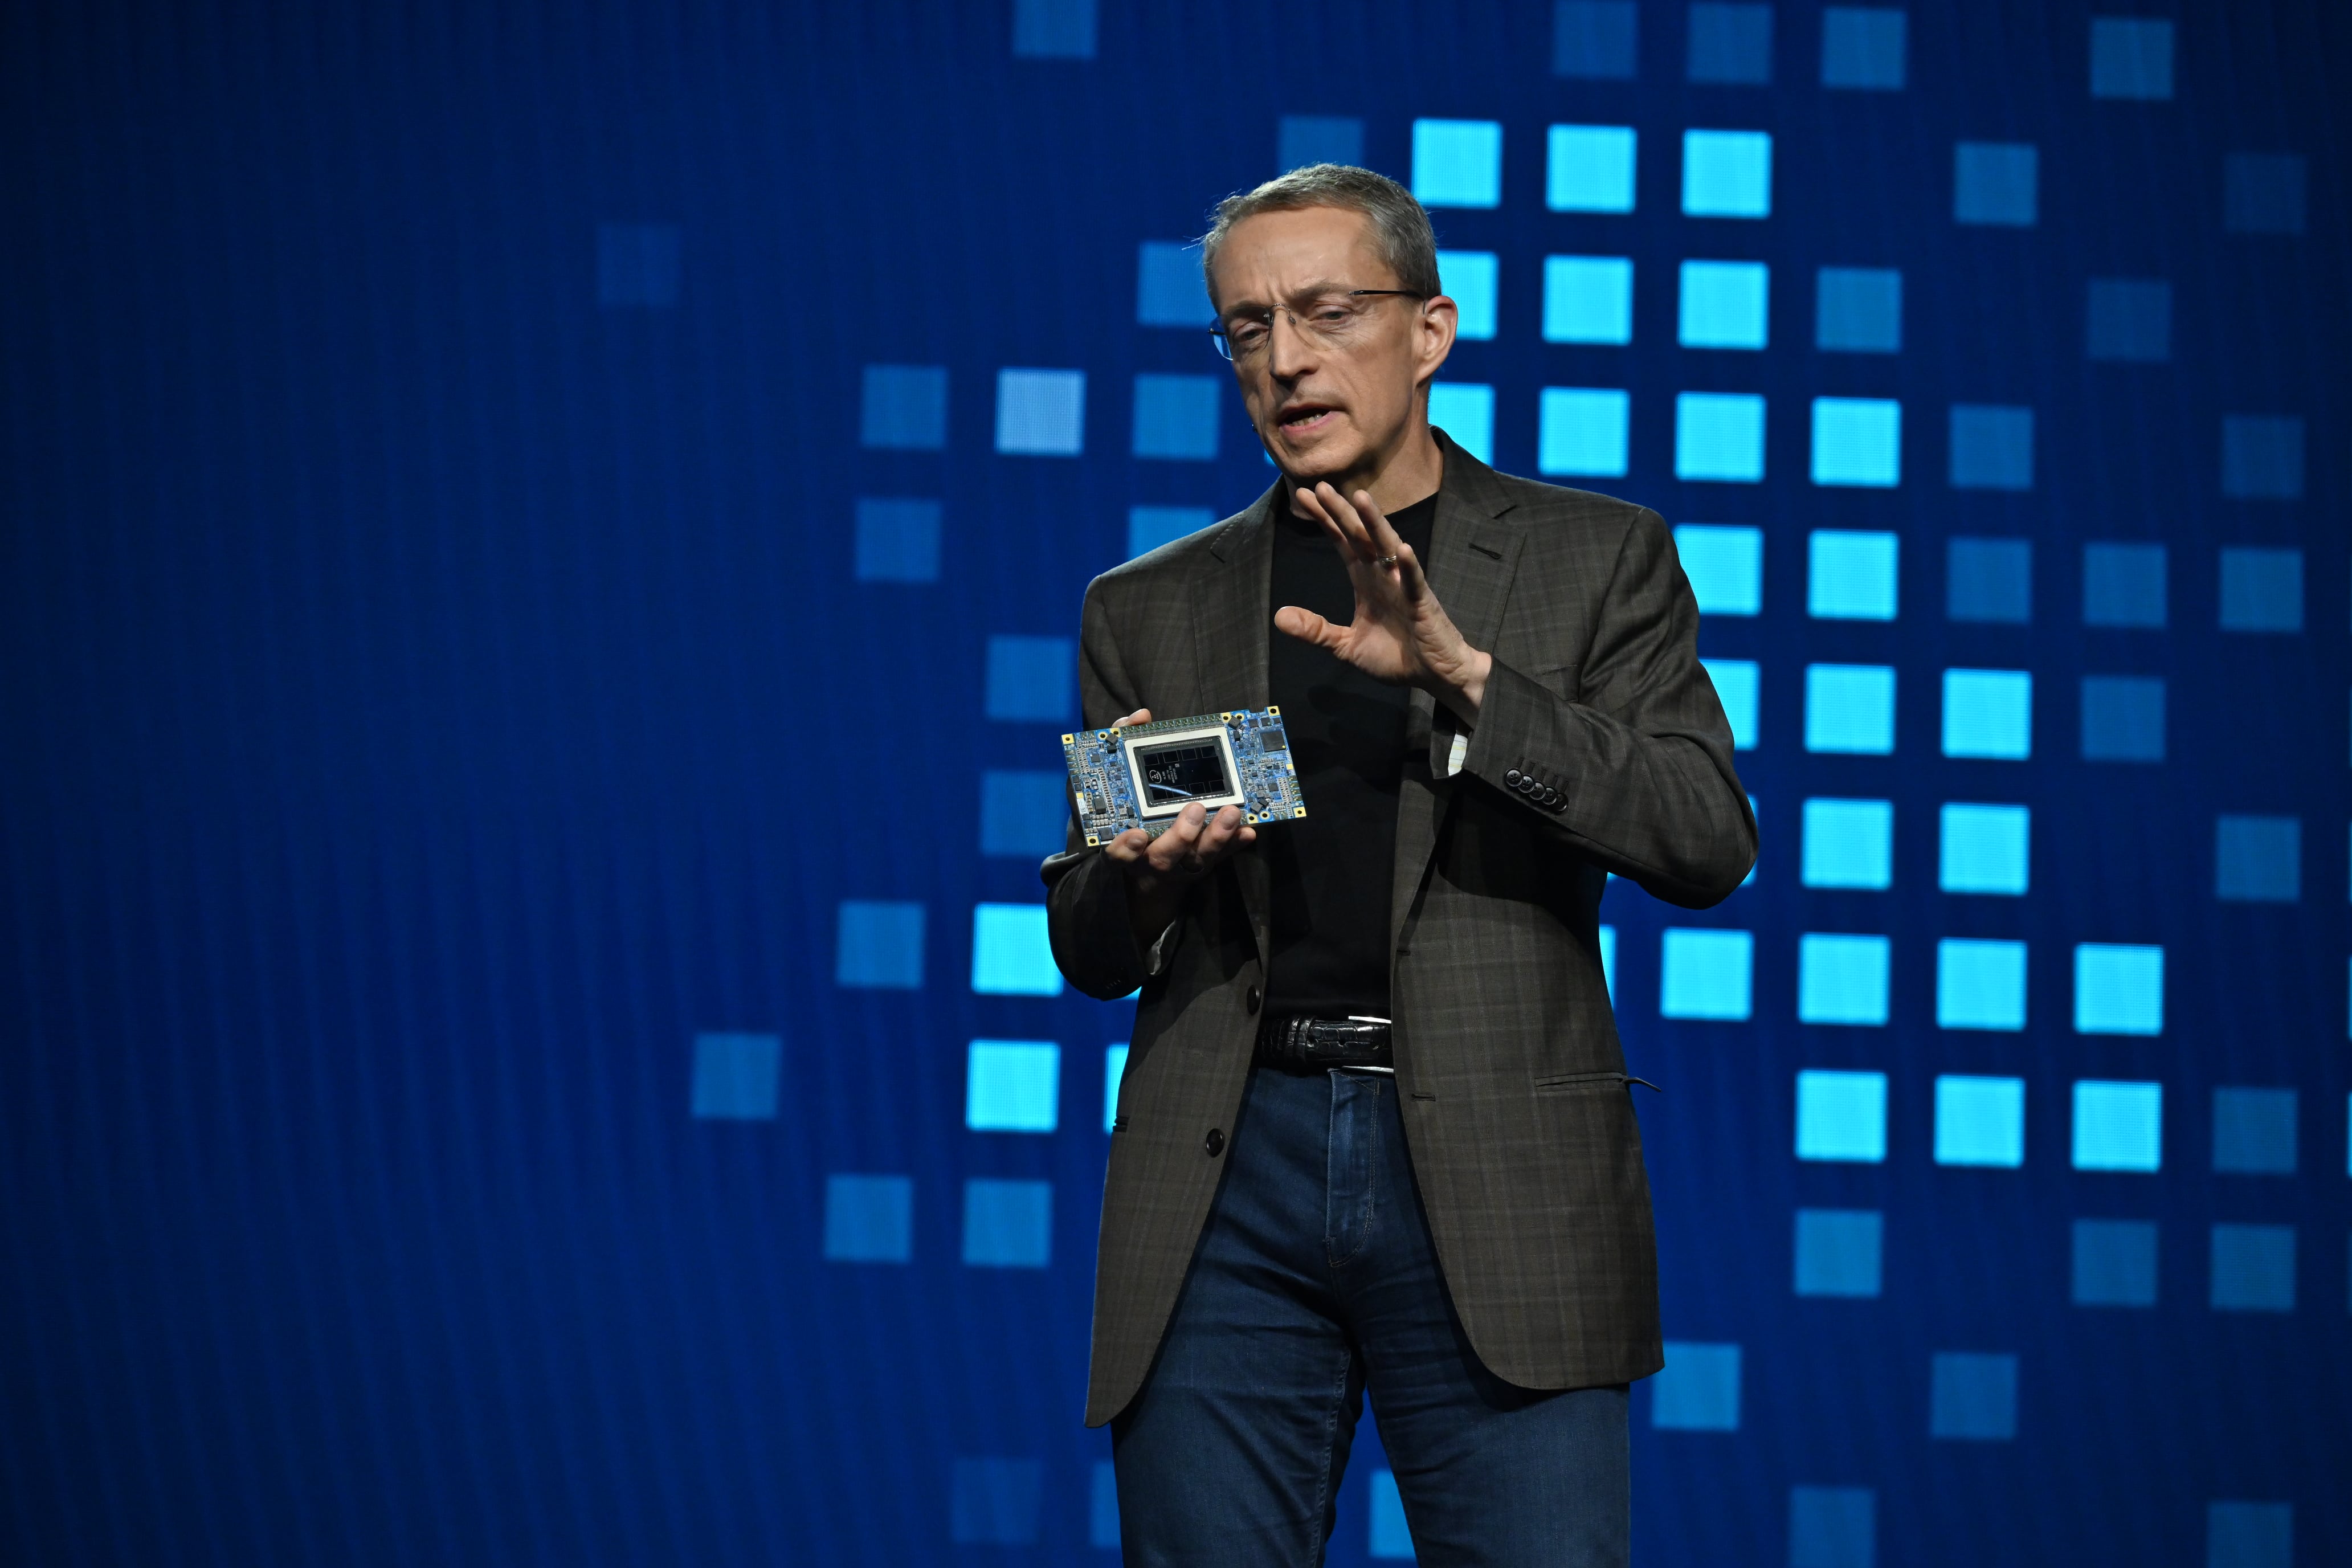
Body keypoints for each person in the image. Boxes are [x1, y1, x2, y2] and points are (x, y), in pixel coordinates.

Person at [1042, 164, 1754, 1567]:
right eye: (1246, 327)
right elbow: (1088, 946)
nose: (1286, 358)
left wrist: (1471, 681)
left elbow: (1703, 836)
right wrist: (1145, 876)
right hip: (1227, 1170)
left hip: (1499, 1160)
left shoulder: (1594, 559)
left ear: (1429, 330)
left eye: (1324, 311)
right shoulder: (1147, 604)